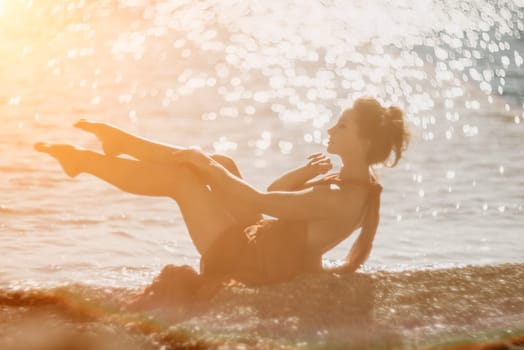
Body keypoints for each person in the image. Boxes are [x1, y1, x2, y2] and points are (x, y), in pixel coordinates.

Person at [34, 97, 410, 307]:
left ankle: (85, 160)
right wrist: (302, 173)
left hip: (247, 260)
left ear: (361, 143)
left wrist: (205, 165)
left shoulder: (336, 196)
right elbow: (275, 195)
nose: (331, 129)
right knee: (222, 164)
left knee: (185, 176)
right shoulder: (355, 184)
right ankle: (121, 145)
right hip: (268, 245)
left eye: (341, 126)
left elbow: (257, 199)